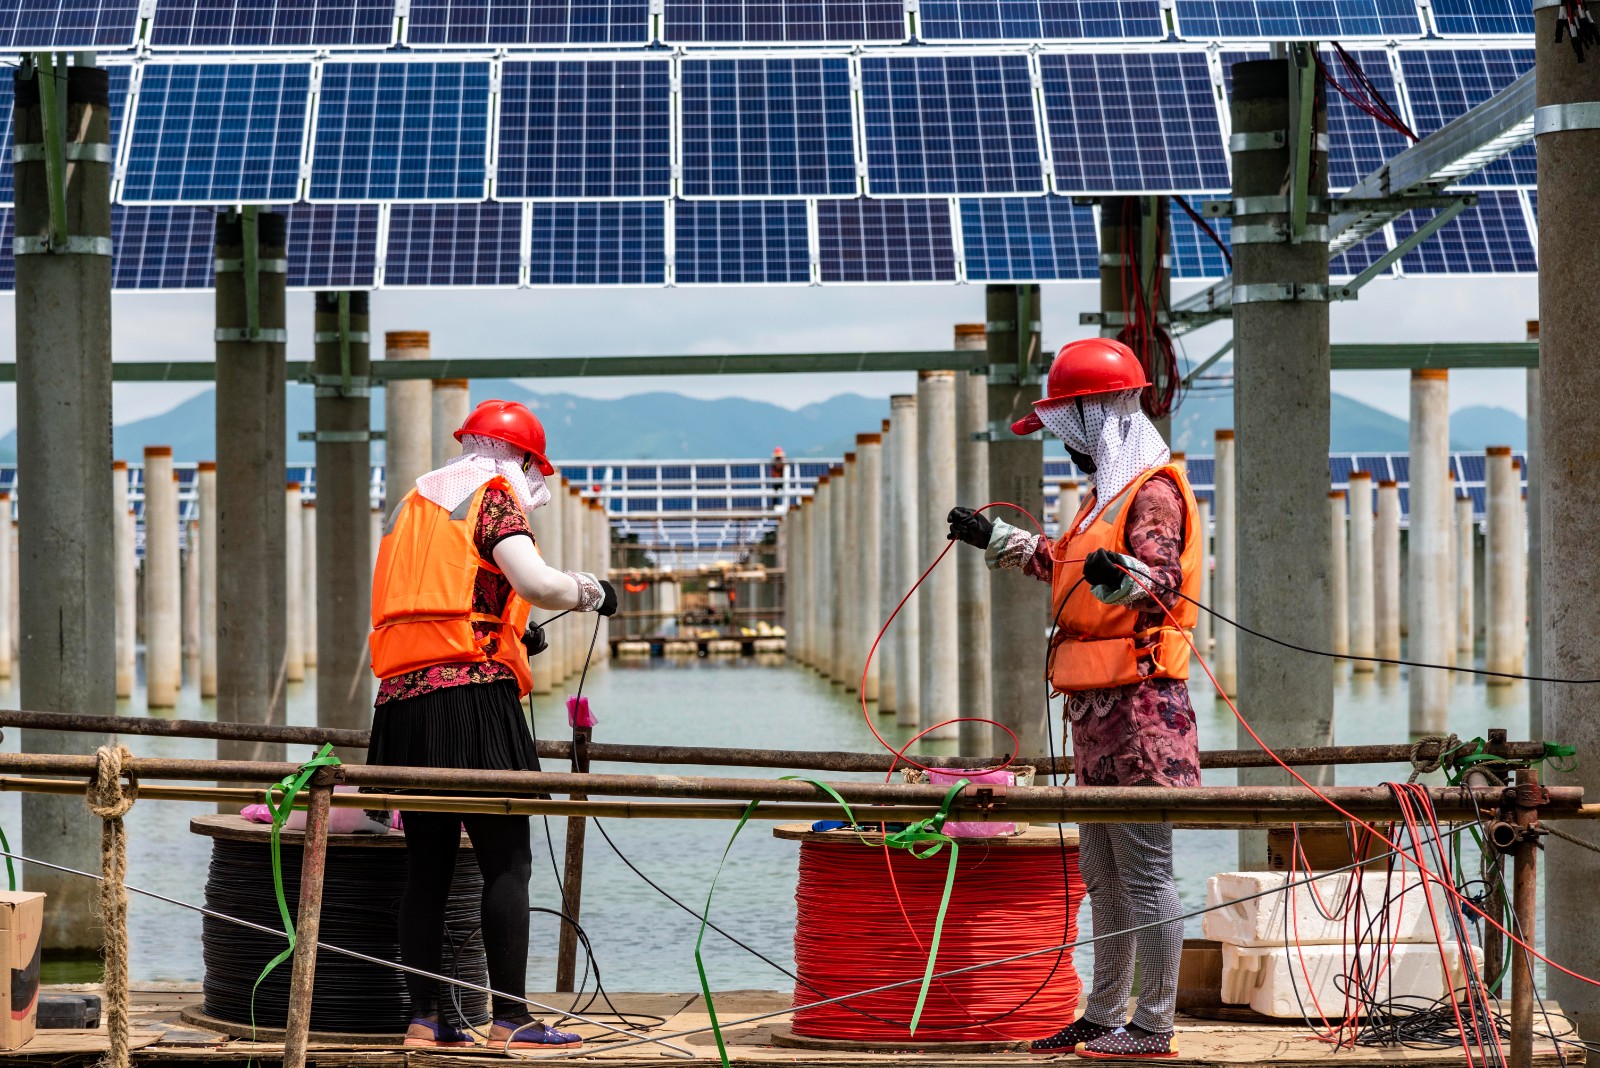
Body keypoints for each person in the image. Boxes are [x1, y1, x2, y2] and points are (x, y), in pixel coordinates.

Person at [948, 339, 1200, 1061]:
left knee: (1146, 874)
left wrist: (1118, 578)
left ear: (1101, 416)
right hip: (1094, 714)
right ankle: (1102, 1013)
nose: (1067, 446)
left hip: (1145, 713)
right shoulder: (1106, 500)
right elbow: (1067, 568)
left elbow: (1158, 584)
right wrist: (996, 538)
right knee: (1102, 874)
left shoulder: (1151, 492)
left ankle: (1152, 1027)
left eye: (1069, 427)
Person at [368, 399, 617, 1050]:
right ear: (524, 459)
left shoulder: (415, 502)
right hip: (473, 703)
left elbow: (446, 591)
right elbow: (536, 581)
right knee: (508, 861)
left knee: (428, 866)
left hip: (402, 701)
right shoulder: (495, 495)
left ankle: (424, 1019)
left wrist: (512, 632)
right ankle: (511, 1018)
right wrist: (590, 588)